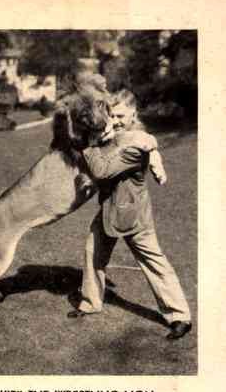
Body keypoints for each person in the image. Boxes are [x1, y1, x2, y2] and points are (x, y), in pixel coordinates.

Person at [68, 89, 192, 340]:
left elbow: (102, 171)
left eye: (122, 115)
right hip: (109, 210)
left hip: (133, 215)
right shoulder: (118, 137)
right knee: (93, 252)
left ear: (134, 113)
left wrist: (90, 144)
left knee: (153, 261)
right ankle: (91, 302)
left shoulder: (136, 145)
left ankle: (180, 316)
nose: (115, 120)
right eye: (112, 115)